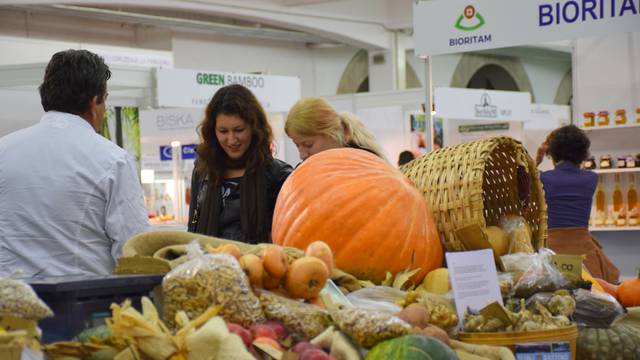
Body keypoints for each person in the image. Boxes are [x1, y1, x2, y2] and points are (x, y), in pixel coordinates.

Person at [0, 49, 151, 277]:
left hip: (10, 302)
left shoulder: (4, 150)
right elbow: (133, 248)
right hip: (84, 301)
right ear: (94, 103)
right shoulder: (112, 159)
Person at [187, 84, 292, 243]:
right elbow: (193, 224)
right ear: (213, 131)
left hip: (258, 265)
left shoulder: (278, 175)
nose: (231, 140)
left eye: (239, 130)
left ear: (254, 128)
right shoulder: (202, 172)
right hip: (207, 264)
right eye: (223, 131)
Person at [537, 124, 619, 283]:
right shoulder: (591, 178)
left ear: (553, 153)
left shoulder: (543, 178)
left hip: (552, 250)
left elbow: (525, 182)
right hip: (584, 252)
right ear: (583, 153)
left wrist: (538, 159)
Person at [285, 96, 388, 162]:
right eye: (297, 145)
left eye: (308, 145)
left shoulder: (365, 165)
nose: (302, 155)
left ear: (332, 133)